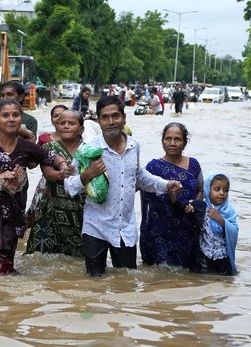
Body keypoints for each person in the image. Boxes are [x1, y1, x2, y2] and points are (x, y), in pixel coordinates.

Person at [64, 96, 183, 277]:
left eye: (115, 116)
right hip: (95, 226)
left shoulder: (134, 146)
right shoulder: (87, 149)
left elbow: (139, 176)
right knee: (94, 283)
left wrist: (166, 185)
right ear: (99, 120)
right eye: (105, 117)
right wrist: (87, 175)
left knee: (126, 282)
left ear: (124, 118)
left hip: (124, 228)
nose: (111, 122)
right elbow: (69, 186)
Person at [0, 98, 72, 274]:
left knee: (2, 269)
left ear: (21, 120)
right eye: (5, 115)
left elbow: (52, 157)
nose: (11, 119)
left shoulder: (26, 146)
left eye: (15, 115)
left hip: (8, 217)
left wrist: (63, 165)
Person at [139, 122, 203, 268]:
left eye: (177, 139)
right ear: (162, 141)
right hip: (159, 231)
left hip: (186, 229)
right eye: (168, 139)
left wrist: (194, 205)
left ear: (185, 143)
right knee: (160, 274)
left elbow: (200, 189)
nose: (172, 143)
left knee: (185, 273)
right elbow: (137, 185)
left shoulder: (193, 165)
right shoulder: (153, 167)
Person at [26, 110, 86, 256]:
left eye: (71, 123)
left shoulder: (89, 150)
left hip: (80, 211)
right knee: (41, 259)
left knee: (78, 260)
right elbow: (48, 174)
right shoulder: (49, 148)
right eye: (62, 123)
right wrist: (62, 174)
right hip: (51, 209)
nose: (66, 126)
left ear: (81, 129)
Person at [190, 172, 239, 275]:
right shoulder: (201, 209)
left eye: (226, 190)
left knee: (225, 281)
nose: (222, 193)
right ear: (208, 190)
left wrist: (220, 219)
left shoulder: (229, 211)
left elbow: (234, 231)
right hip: (205, 255)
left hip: (222, 256)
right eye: (217, 189)